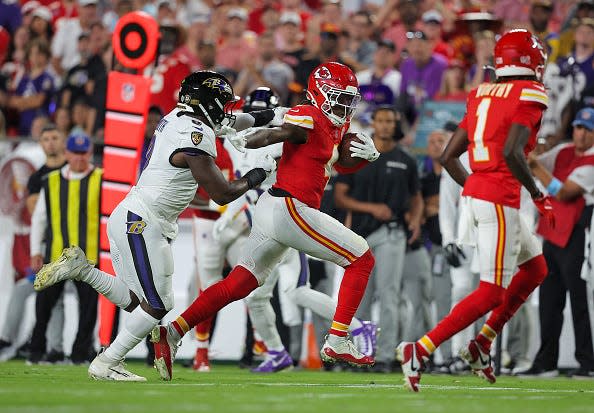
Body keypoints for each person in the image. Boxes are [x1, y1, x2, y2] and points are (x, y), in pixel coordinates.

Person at [33, 71, 281, 381]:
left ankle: (82, 270)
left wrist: (271, 116)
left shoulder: (179, 116)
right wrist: (259, 174)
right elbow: (222, 193)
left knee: (139, 303)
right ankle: (106, 362)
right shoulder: (196, 135)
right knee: (158, 304)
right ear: (207, 102)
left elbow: (232, 122)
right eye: (221, 102)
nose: (225, 109)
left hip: (134, 216)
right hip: (143, 222)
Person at [151, 62, 381, 381]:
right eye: (337, 96)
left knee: (240, 283)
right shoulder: (309, 114)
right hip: (290, 206)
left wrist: (365, 158)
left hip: (277, 207)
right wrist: (249, 139)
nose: (343, 105)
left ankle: (173, 332)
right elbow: (283, 131)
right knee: (361, 258)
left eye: (348, 98)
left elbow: (333, 163)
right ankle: (339, 338)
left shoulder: (334, 124)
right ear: (319, 93)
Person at [396, 29, 554, 392]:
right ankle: (420, 349)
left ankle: (481, 342)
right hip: (500, 196)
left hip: (481, 192)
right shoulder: (529, 93)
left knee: (535, 269)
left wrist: (476, 188)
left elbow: (447, 156)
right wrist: (538, 193)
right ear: (529, 61)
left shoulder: (481, 93)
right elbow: (514, 152)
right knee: (492, 291)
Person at [334, 106, 422, 373]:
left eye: (390, 121)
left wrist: (415, 219)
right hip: (359, 234)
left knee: (389, 295)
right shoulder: (357, 155)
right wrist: (371, 208)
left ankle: (383, 355)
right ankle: (359, 353)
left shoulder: (405, 160)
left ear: (395, 125)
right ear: (373, 122)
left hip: (391, 232)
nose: (385, 126)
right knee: (359, 297)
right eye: (381, 121)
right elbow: (340, 196)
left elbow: (416, 197)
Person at [520, 107, 594, 377]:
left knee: (579, 303)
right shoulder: (563, 151)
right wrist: (534, 146)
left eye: (587, 129)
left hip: (578, 237)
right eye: (578, 127)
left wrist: (535, 165)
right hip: (552, 234)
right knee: (550, 302)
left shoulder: (592, 161)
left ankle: (588, 363)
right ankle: (545, 361)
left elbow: (563, 193)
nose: (581, 133)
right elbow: (535, 160)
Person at [28, 132, 102, 365]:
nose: (80, 158)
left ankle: (80, 355)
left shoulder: (102, 178)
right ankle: (36, 352)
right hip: (56, 257)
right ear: (67, 153)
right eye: (75, 153)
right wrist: (35, 251)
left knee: (88, 311)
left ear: (90, 153)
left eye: (84, 153)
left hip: (89, 257)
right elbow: (39, 218)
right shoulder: (50, 181)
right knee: (43, 307)